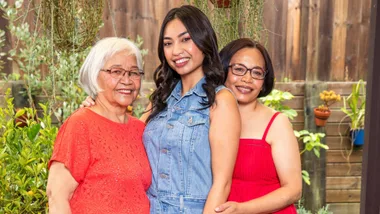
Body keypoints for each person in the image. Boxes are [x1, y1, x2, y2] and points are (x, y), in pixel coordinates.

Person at [140, 5, 241, 214]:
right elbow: (128, 140)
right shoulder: (159, 99)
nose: (176, 51)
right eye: (168, 43)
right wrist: (101, 108)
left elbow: (222, 185)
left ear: (204, 41)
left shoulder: (221, 100)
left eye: (186, 39)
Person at [46, 37, 151, 214]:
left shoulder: (140, 130)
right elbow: (57, 197)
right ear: (95, 75)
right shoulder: (81, 125)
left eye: (133, 72)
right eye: (116, 71)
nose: (126, 80)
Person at [214, 38, 302, 214]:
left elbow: (293, 189)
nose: (247, 79)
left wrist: (242, 209)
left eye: (256, 73)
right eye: (239, 69)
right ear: (223, 71)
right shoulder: (208, 117)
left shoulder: (277, 123)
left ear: (263, 82)